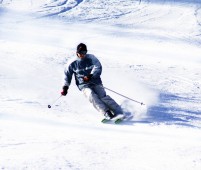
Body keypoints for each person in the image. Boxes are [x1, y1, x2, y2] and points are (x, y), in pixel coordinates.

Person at [61, 43, 124, 119]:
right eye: (80, 53)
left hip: (95, 81)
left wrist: (91, 75)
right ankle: (106, 112)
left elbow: (98, 66)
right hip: (83, 84)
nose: (82, 55)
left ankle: (119, 111)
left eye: (84, 53)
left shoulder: (91, 58)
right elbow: (67, 76)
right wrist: (65, 87)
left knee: (102, 97)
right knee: (91, 95)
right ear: (77, 52)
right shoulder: (72, 63)